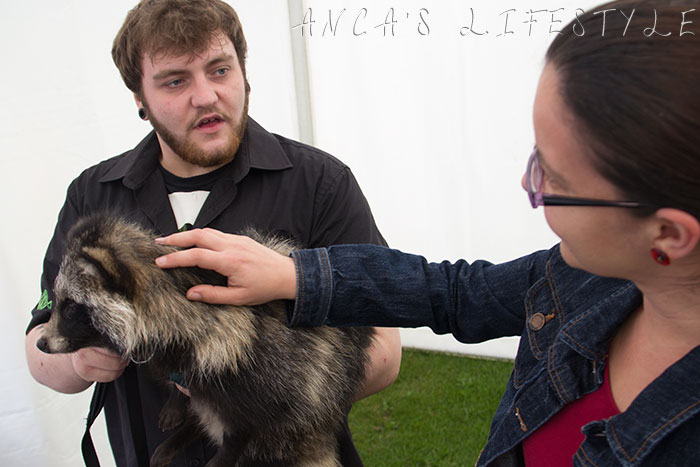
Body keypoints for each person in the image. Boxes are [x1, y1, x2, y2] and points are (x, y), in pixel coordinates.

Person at [153, 0, 700, 465]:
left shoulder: (320, 179)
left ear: (670, 236)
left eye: (551, 180)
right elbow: (454, 291)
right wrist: (296, 273)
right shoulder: (580, 280)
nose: (528, 185)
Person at [24, 1, 401, 466]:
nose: (205, 96)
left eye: (219, 70)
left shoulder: (319, 183)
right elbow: (42, 342)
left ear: (244, 74)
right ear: (139, 97)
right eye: (176, 80)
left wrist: (261, 384)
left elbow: (384, 348)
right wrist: (78, 363)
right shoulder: (93, 195)